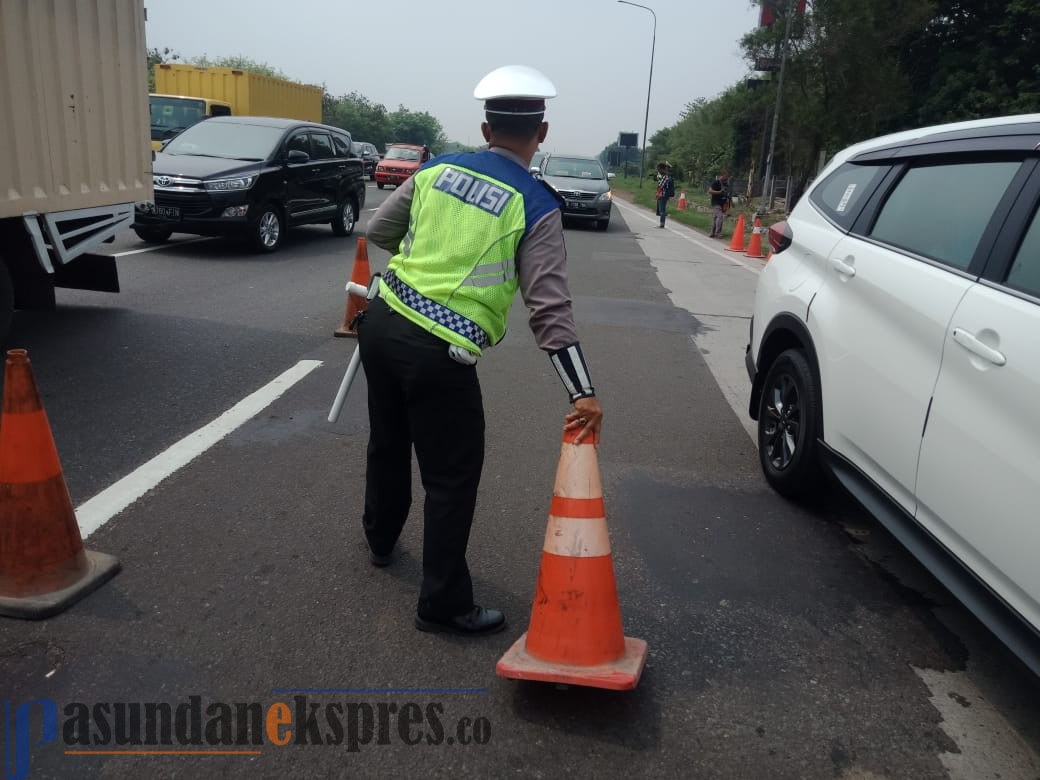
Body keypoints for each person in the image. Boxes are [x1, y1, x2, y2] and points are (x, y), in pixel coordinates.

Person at [358, 65, 604, 637]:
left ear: (485, 127)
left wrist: (424, 259)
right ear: (540, 134)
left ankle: (378, 540)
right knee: (451, 477)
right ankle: (441, 603)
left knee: (387, 442)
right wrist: (581, 391)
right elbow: (549, 309)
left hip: (384, 320)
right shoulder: (536, 202)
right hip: (438, 352)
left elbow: (379, 231)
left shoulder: (437, 169)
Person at [708, 170, 731, 238]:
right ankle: (718, 233)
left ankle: (712, 232)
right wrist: (719, 192)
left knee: (716, 218)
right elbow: (710, 191)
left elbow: (727, 193)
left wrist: (729, 202)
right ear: (723, 175)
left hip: (722, 203)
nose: (728, 178)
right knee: (720, 217)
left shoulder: (726, 184)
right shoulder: (716, 182)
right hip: (716, 203)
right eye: (727, 176)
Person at [655, 162, 675, 228]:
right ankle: (662, 223)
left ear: (662, 169)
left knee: (662, 210)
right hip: (663, 195)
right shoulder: (665, 177)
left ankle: (662, 224)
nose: (658, 171)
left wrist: (659, 180)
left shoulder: (664, 177)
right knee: (662, 210)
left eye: (659, 169)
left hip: (663, 195)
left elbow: (660, 186)